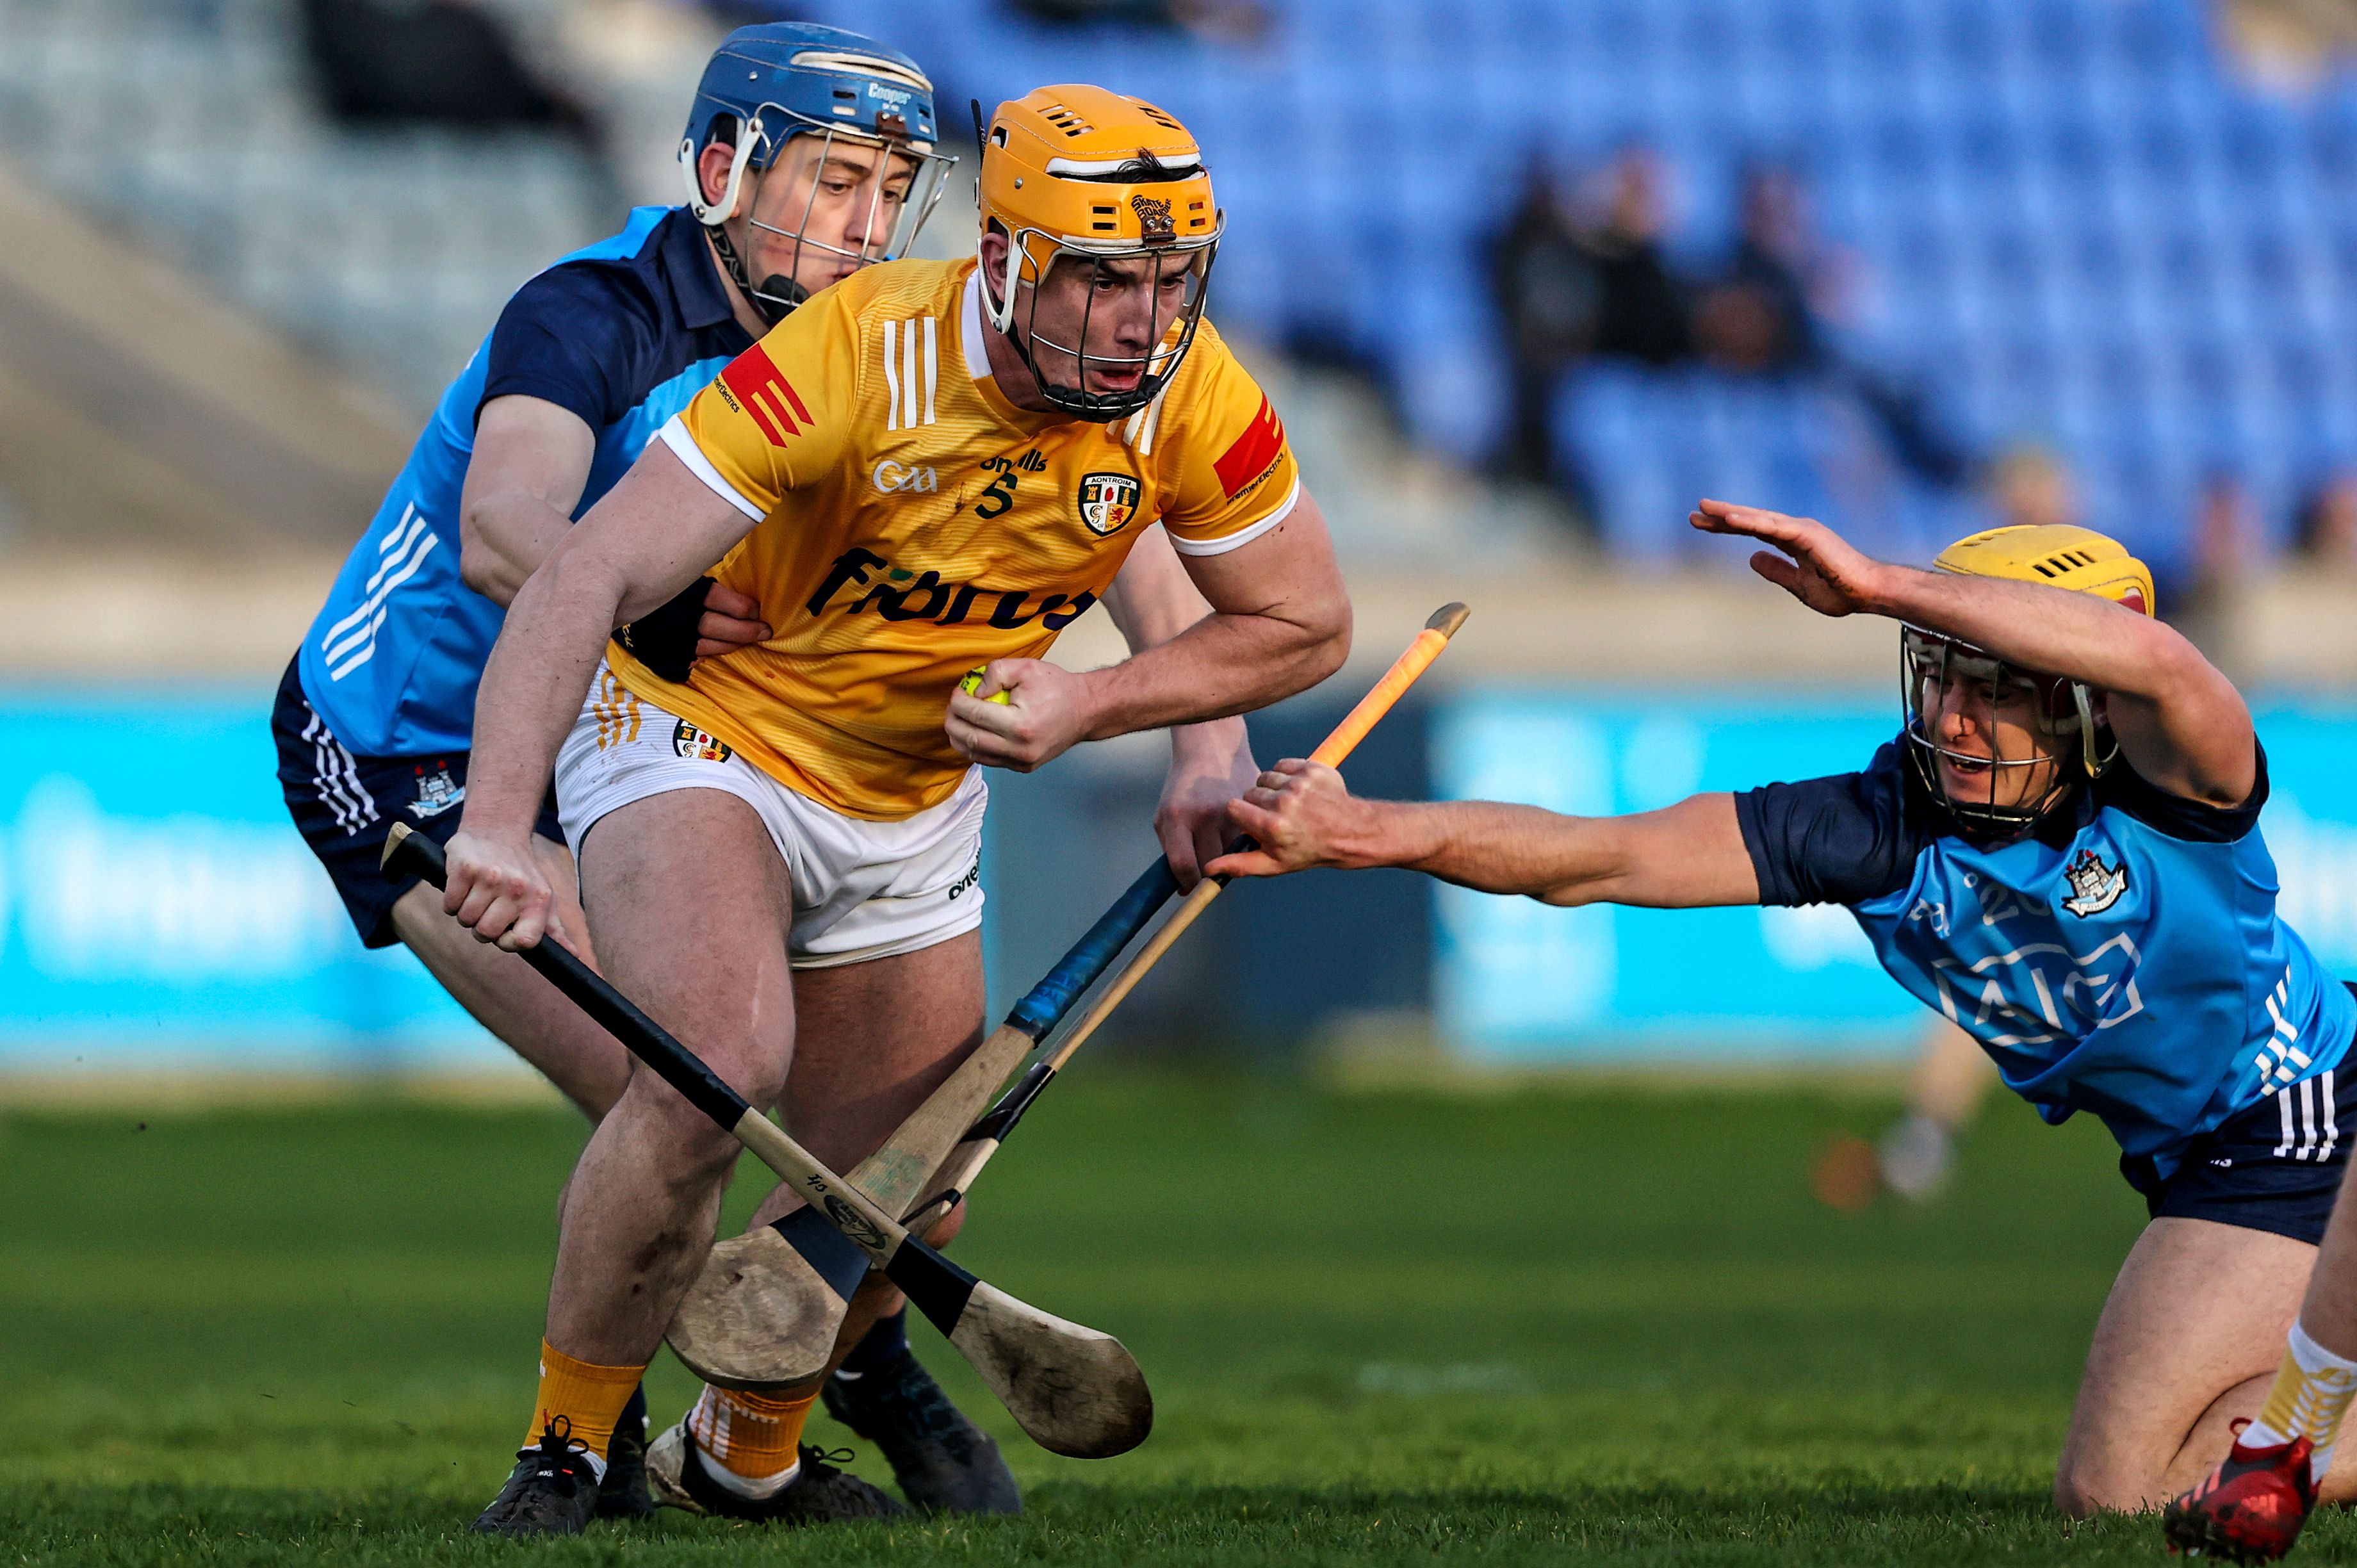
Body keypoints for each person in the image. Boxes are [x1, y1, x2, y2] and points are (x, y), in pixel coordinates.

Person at [275, 26, 1253, 1529]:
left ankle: (783, 1405)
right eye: (833, 184)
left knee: (810, 1117)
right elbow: (503, 524)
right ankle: (588, 1448)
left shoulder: (902, 344)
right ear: (725, 170)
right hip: (416, 746)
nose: (866, 230)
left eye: (891, 194)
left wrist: (1208, 744)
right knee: (685, 1093)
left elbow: (1125, 532)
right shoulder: (596, 312)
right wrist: (645, 602)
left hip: (658, 725)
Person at [1210, 499, 2356, 1520]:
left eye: (1996, 691)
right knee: (2195, 1471)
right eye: (1941, 678)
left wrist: (1880, 588)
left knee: (2120, 1496)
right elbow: (1600, 858)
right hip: (2201, 1157)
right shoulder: (1877, 822)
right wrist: (1361, 834)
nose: (1956, 720)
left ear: (2086, 707)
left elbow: (2155, 658)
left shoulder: (2182, 784)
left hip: (2299, 1114)